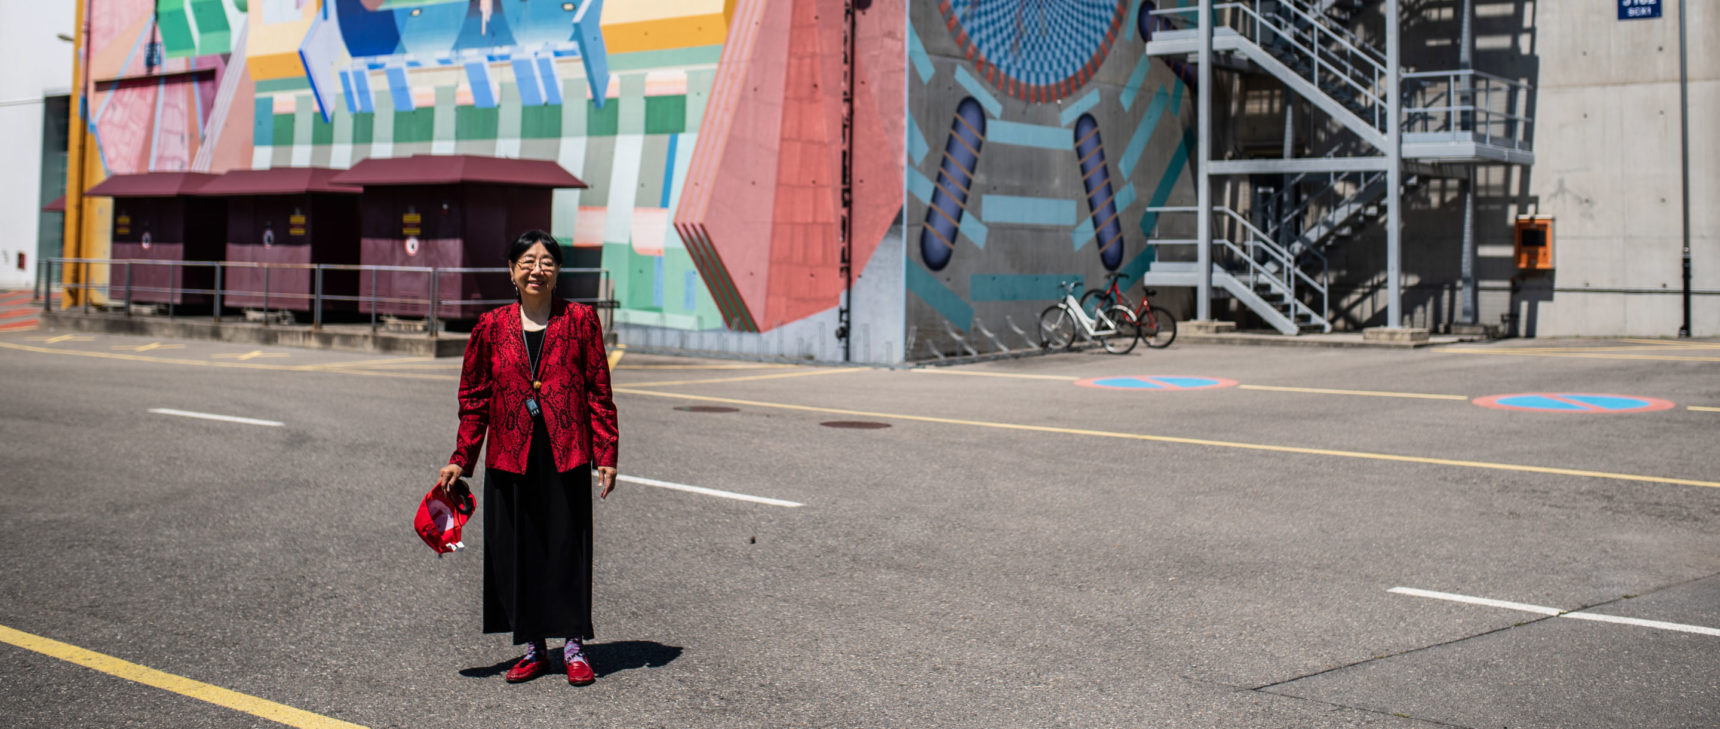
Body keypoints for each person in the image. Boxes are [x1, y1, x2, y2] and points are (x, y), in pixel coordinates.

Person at [436, 229, 619, 686]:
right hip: (509, 458)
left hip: (566, 454)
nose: (537, 270)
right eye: (527, 262)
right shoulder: (491, 327)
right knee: (520, 553)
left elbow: (599, 390)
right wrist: (462, 456)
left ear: (558, 271)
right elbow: (474, 397)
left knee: (566, 551)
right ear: (512, 272)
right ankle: (535, 647)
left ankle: (573, 646)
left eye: (547, 262)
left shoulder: (580, 321)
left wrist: (606, 452)